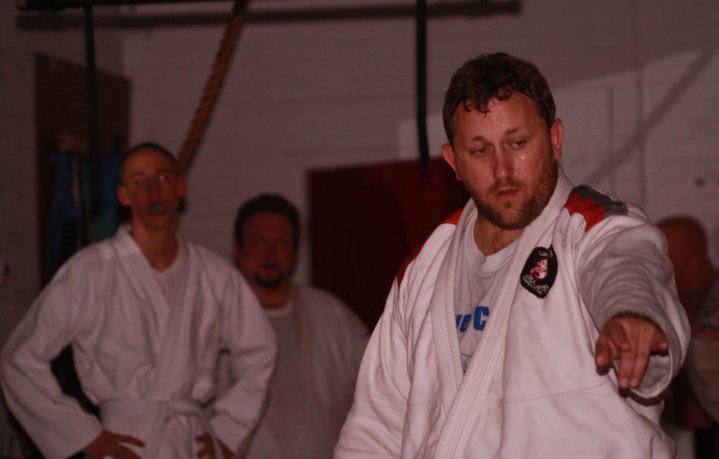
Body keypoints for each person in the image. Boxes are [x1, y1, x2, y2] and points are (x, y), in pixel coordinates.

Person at [334, 52, 690, 458]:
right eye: (479, 151)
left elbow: (625, 265)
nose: (502, 170)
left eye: (517, 144)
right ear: (453, 161)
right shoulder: (426, 266)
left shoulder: (592, 227)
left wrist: (633, 314)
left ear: (554, 139)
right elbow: (375, 429)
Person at [0, 142, 277, 459]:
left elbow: (259, 349)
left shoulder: (214, 274)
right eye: (139, 181)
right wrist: (79, 432)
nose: (153, 191)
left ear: (180, 187)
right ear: (124, 196)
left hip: (190, 440)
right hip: (123, 439)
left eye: (163, 178)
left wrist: (229, 431)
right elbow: (20, 358)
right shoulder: (89, 270)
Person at [232, 193, 367, 459]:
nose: (270, 253)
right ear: (237, 248)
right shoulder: (214, 318)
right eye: (259, 242)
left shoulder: (332, 315)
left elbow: (381, 381)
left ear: (295, 252)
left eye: (282, 242)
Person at [658, 216, 718, 457]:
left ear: (691, 256)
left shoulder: (711, 306)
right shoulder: (664, 307)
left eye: (664, 251)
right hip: (682, 437)